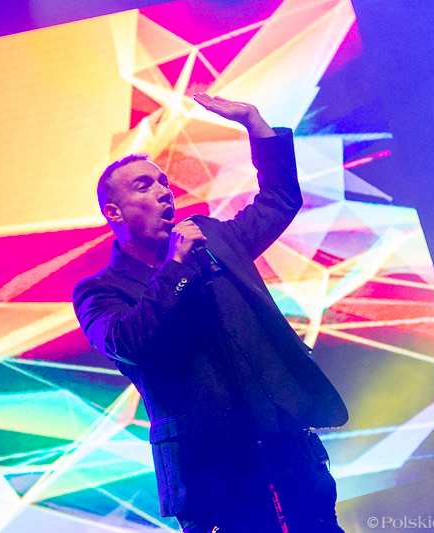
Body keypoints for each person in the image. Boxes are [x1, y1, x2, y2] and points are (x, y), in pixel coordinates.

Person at [72, 93, 348, 532]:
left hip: (288, 450)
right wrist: (175, 267)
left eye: (163, 183)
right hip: (212, 478)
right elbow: (130, 342)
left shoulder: (213, 239)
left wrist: (255, 124)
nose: (163, 192)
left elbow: (278, 200)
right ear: (114, 212)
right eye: (144, 186)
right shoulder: (99, 291)